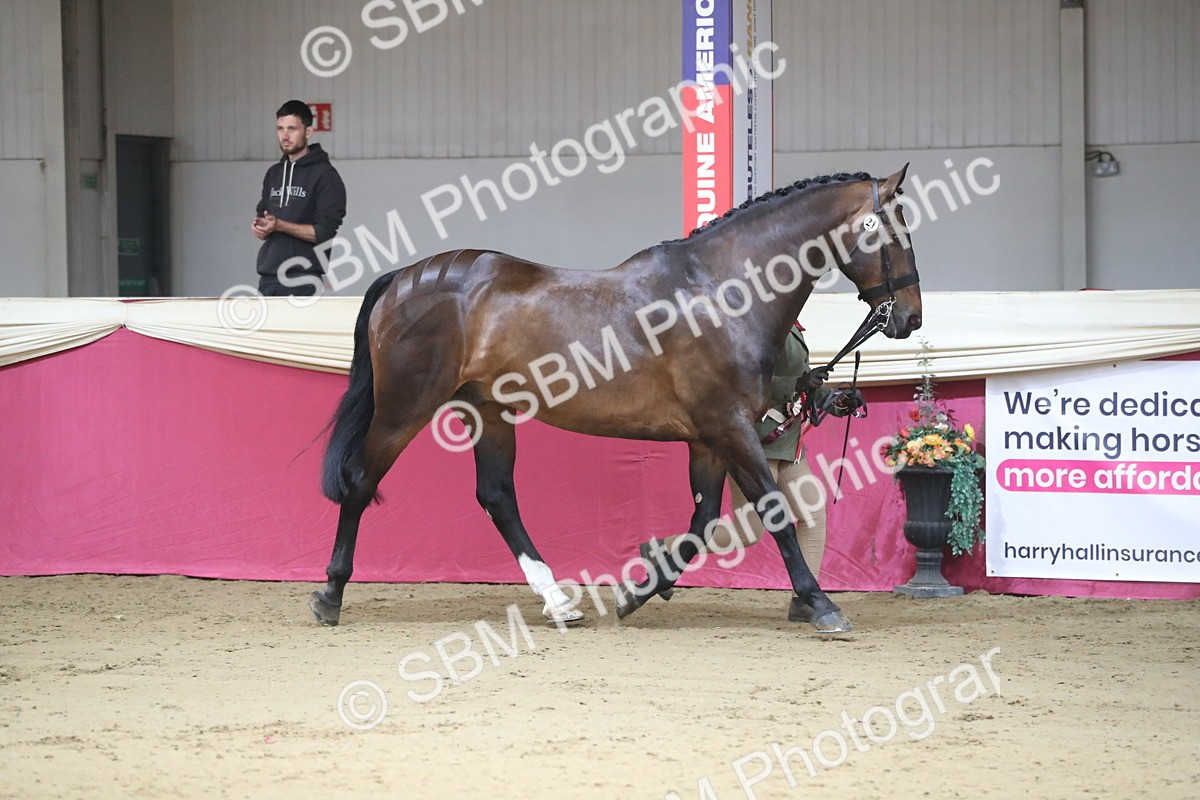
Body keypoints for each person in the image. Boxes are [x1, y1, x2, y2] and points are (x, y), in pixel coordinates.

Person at [638, 322, 862, 622]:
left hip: (788, 442)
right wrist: (797, 385)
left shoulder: (790, 324)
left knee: (813, 514)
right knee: (749, 532)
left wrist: (834, 400)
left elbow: (803, 381)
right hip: (754, 443)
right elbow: (744, 383)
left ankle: (805, 600)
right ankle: (662, 550)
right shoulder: (754, 326)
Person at [251, 100, 347, 296]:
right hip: (268, 278)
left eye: (292, 129)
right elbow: (264, 214)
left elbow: (324, 232)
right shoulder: (274, 174)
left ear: (308, 132)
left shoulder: (325, 175)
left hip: (304, 279)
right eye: (280, 129)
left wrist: (279, 225)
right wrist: (262, 227)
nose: (285, 136)